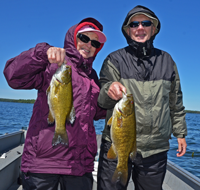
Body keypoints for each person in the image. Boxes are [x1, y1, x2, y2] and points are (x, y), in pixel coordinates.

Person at [4, 17, 107, 190]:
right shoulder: (52, 65)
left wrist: (112, 97)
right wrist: (41, 53)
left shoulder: (93, 78)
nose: (89, 45)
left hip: (79, 165)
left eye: (95, 43)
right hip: (43, 162)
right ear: (73, 38)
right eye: (84, 38)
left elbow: (98, 113)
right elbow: (13, 77)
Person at [97, 5, 187, 190]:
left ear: (153, 29)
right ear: (128, 30)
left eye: (145, 23)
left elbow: (175, 101)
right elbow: (101, 100)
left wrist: (180, 133)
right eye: (134, 24)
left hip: (155, 149)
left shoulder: (167, 61)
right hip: (117, 143)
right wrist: (109, 89)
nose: (140, 28)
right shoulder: (114, 59)